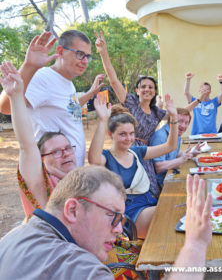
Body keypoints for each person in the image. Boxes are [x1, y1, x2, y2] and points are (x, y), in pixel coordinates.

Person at [0, 166, 212, 280]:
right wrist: (195, 244)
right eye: (114, 215)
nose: (119, 229)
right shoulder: (80, 267)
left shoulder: (13, 237)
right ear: (72, 210)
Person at [95, 31, 198, 198]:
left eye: (151, 87)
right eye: (143, 86)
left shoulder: (157, 112)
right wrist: (103, 53)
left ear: (155, 91)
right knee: (126, 191)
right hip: (126, 149)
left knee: (152, 191)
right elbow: (113, 80)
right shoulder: (130, 103)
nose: (147, 89)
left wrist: (199, 100)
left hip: (145, 154)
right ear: (137, 90)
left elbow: (181, 112)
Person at [0, 31, 105, 167]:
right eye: (80, 54)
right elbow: (6, 107)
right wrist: (29, 66)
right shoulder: (43, 78)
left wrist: (91, 93)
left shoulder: (68, 82)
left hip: (69, 173)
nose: (85, 61)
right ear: (60, 51)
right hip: (51, 175)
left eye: (87, 56)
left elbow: (69, 108)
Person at [88, 96, 178, 238]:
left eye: (131, 133)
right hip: (130, 213)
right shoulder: (107, 157)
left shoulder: (137, 152)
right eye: (122, 134)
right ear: (110, 135)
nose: (129, 138)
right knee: (169, 213)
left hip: (150, 202)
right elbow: (93, 159)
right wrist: (102, 120)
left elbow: (170, 146)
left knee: (181, 208)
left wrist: (173, 118)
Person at [0, 61, 78, 218]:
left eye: (68, 148)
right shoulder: (42, 183)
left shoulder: (78, 179)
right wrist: (16, 96)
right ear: (41, 159)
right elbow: (26, 145)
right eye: (56, 152)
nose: (65, 154)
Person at [150, 108, 202, 187]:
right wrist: (181, 160)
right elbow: (158, 167)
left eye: (186, 122)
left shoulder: (176, 133)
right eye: (180, 121)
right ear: (171, 120)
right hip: (160, 185)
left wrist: (191, 153)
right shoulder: (161, 136)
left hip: (169, 176)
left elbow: (174, 154)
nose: (183, 126)